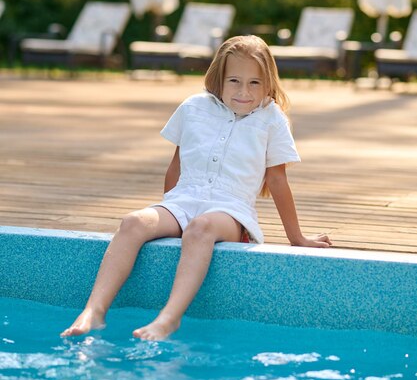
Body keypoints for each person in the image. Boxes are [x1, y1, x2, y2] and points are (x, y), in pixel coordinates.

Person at [61, 35, 331, 341]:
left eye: (254, 83)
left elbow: (278, 180)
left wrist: (297, 237)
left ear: (268, 82)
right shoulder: (193, 107)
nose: (244, 91)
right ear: (219, 78)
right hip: (183, 201)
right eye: (234, 81)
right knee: (134, 221)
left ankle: (169, 318)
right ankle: (94, 311)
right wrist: (164, 216)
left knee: (200, 228)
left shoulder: (272, 119)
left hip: (230, 212)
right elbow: (176, 165)